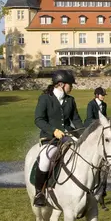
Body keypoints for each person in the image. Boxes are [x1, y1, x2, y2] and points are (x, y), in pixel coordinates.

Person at [32, 69, 84, 207]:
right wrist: (54, 131)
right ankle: (39, 193)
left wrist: (84, 134)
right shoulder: (45, 98)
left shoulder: (70, 100)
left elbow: (76, 120)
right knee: (45, 158)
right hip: (49, 138)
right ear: (61, 84)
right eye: (70, 84)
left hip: (68, 136)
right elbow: (39, 120)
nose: (71, 87)